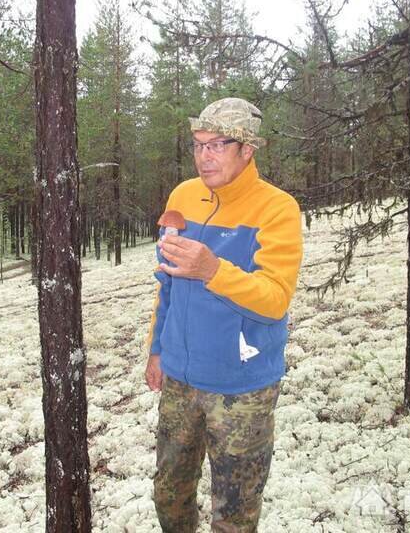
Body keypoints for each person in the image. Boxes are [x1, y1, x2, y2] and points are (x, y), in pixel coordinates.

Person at [145, 97, 304, 532]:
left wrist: (213, 270)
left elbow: (275, 299)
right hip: (180, 379)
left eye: (217, 145)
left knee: (235, 513)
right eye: (198, 145)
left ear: (246, 149)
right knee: (169, 493)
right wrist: (157, 350)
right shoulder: (183, 196)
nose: (204, 156)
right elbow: (167, 283)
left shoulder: (276, 208)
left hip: (241, 387)